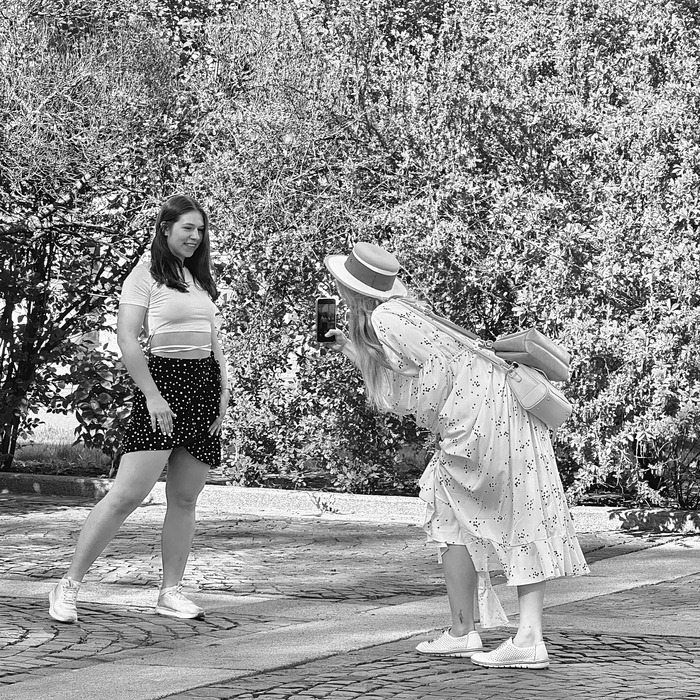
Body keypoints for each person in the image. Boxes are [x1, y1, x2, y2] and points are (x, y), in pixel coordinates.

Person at [324, 242, 589, 670]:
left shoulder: (384, 318)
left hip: (483, 418)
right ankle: (463, 630)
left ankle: (529, 638)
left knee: (518, 512)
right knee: (450, 510)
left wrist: (434, 414)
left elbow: (421, 383)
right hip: (491, 410)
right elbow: (415, 371)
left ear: (351, 289)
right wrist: (352, 349)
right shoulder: (401, 312)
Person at [49, 195, 230, 623]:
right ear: (165, 228)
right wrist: (152, 394)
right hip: (163, 383)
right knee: (127, 495)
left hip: (204, 387)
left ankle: (170, 592)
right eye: (187, 228)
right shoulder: (144, 275)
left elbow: (212, 339)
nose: (195, 236)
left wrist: (223, 390)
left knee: (184, 498)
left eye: (200, 229)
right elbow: (128, 339)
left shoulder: (199, 278)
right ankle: (68, 585)